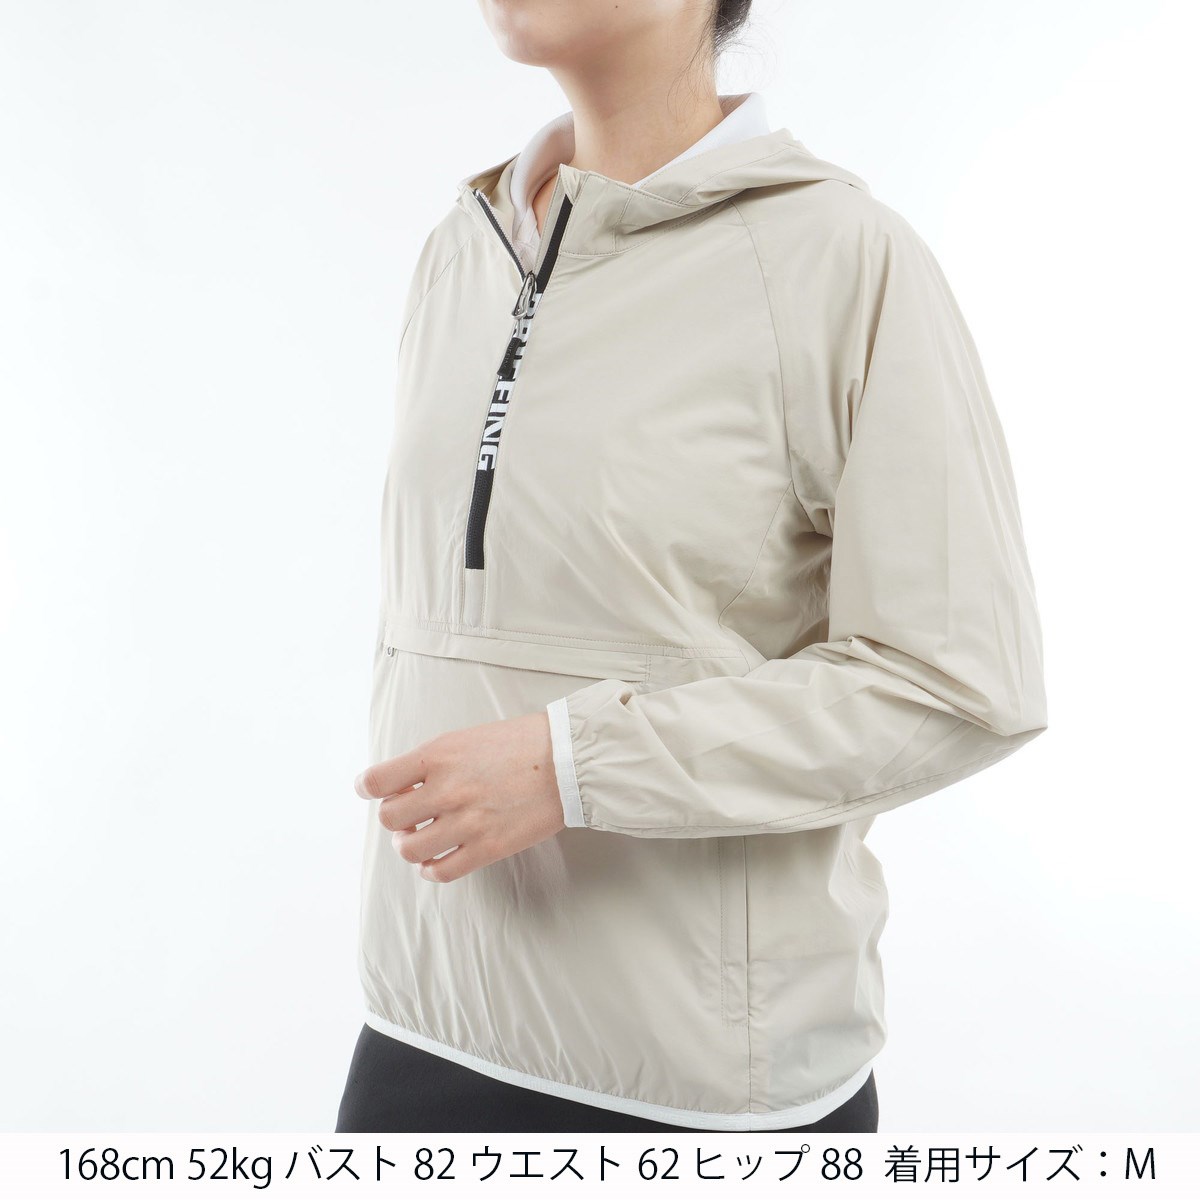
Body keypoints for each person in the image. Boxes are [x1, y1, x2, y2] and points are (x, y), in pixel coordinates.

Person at [336, 0, 1048, 1134]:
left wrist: (577, 765)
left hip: (704, 1091)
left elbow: (957, 681)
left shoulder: (840, 256)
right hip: (419, 1027)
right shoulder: (463, 247)